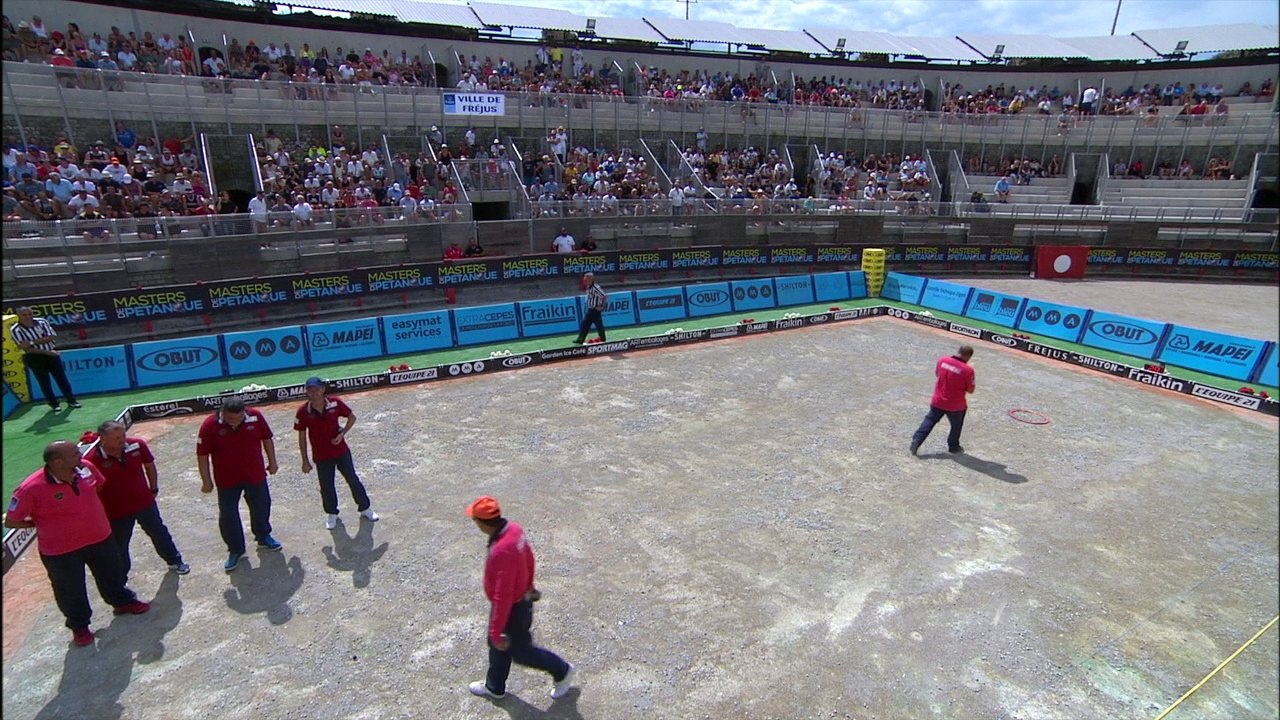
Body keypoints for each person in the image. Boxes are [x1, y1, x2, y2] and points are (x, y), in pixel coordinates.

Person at [5, 441, 150, 647]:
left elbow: (98, 486)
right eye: (74, 454)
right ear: (58, 462)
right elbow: (11, 520)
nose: (80, 456)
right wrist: (41, 522)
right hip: (61, 551)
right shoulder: (30, 488)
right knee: (69, 590)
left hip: (101, 537)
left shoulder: (86, 468)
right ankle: (80, 626)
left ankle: (122, 602)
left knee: (112, 573)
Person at [465, 495, 576, 701]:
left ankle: (562, 671)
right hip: (519, 601)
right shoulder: (514, 530)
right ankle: (494, 686)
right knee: (497, 644)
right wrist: (530, 586)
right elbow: (529, 557)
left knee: (521, 652)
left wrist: (497, 631)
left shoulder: (501, 551)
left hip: (513, 608)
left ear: (482, 523)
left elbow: (502, 597)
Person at [85, 420, 190, 578]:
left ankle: (175, 560)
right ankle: (122, 577)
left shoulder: (137, 445)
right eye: (117, 438)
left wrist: (153, 488)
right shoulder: (92, 459)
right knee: (120, 545)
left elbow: (149, 466)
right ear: (103, 438)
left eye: (123, 435)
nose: (122, 440)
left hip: (144, 503)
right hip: (115, 511)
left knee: (158, 532)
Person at [196, 398, 282, 572]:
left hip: (255, 475)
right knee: (228, 515)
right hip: (227, 480)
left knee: (261, 506)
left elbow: (267, 439)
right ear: (223, 413)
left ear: (245, 412)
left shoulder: (256, 417)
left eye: (238, 418)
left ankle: (263, 535)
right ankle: (235, 549)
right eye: (230, 419)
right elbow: (202, 454)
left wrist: (272, 462)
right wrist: (206, 480)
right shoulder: (209, 425)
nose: (234, 422)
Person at [294, 376, 378, 530]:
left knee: (352, 479)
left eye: (316, 389)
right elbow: (301, 436)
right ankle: (332, 513)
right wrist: (305, 460)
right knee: (326, 485)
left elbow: (352, 417)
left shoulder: (335, 403)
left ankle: (365, 508)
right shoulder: (303, 411)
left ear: (323, 390)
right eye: (309, 390)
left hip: (341, 451)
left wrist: (342, 434)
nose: (313, 393)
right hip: (321, 455)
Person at [8, 306, 80, 410]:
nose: (28, 317)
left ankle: (71, 400)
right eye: (24, 315)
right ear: (18, 316)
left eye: (30, 314)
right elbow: (25, 348)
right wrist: (45, 350)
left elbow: (50, 337)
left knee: (61, 378)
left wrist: (31, 342)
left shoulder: (42, 322)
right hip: (34, 357)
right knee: (44, 382)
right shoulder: (15, 329)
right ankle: (54, 404)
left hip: (51, 353)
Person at [910, 345, 976, 456]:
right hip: (956, 405)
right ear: (968, 356)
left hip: (938, 400)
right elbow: (971, 389)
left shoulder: (942, 360)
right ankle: (953, 447)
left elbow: (937, 374)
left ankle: (917, 440)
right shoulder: (968, 370)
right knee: (956, 426)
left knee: (929, 421)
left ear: (958, 351)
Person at [573, 272, 607, 345]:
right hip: (590, 309)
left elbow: (604, 296)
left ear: (590, 279)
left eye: (585, 279)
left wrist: (602, 306)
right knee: (585, 324)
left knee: (598, 325)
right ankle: (580, 340)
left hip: (595, 310)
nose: (584, 281)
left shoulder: (595, 288)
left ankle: (603, 339)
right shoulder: (589, 287)